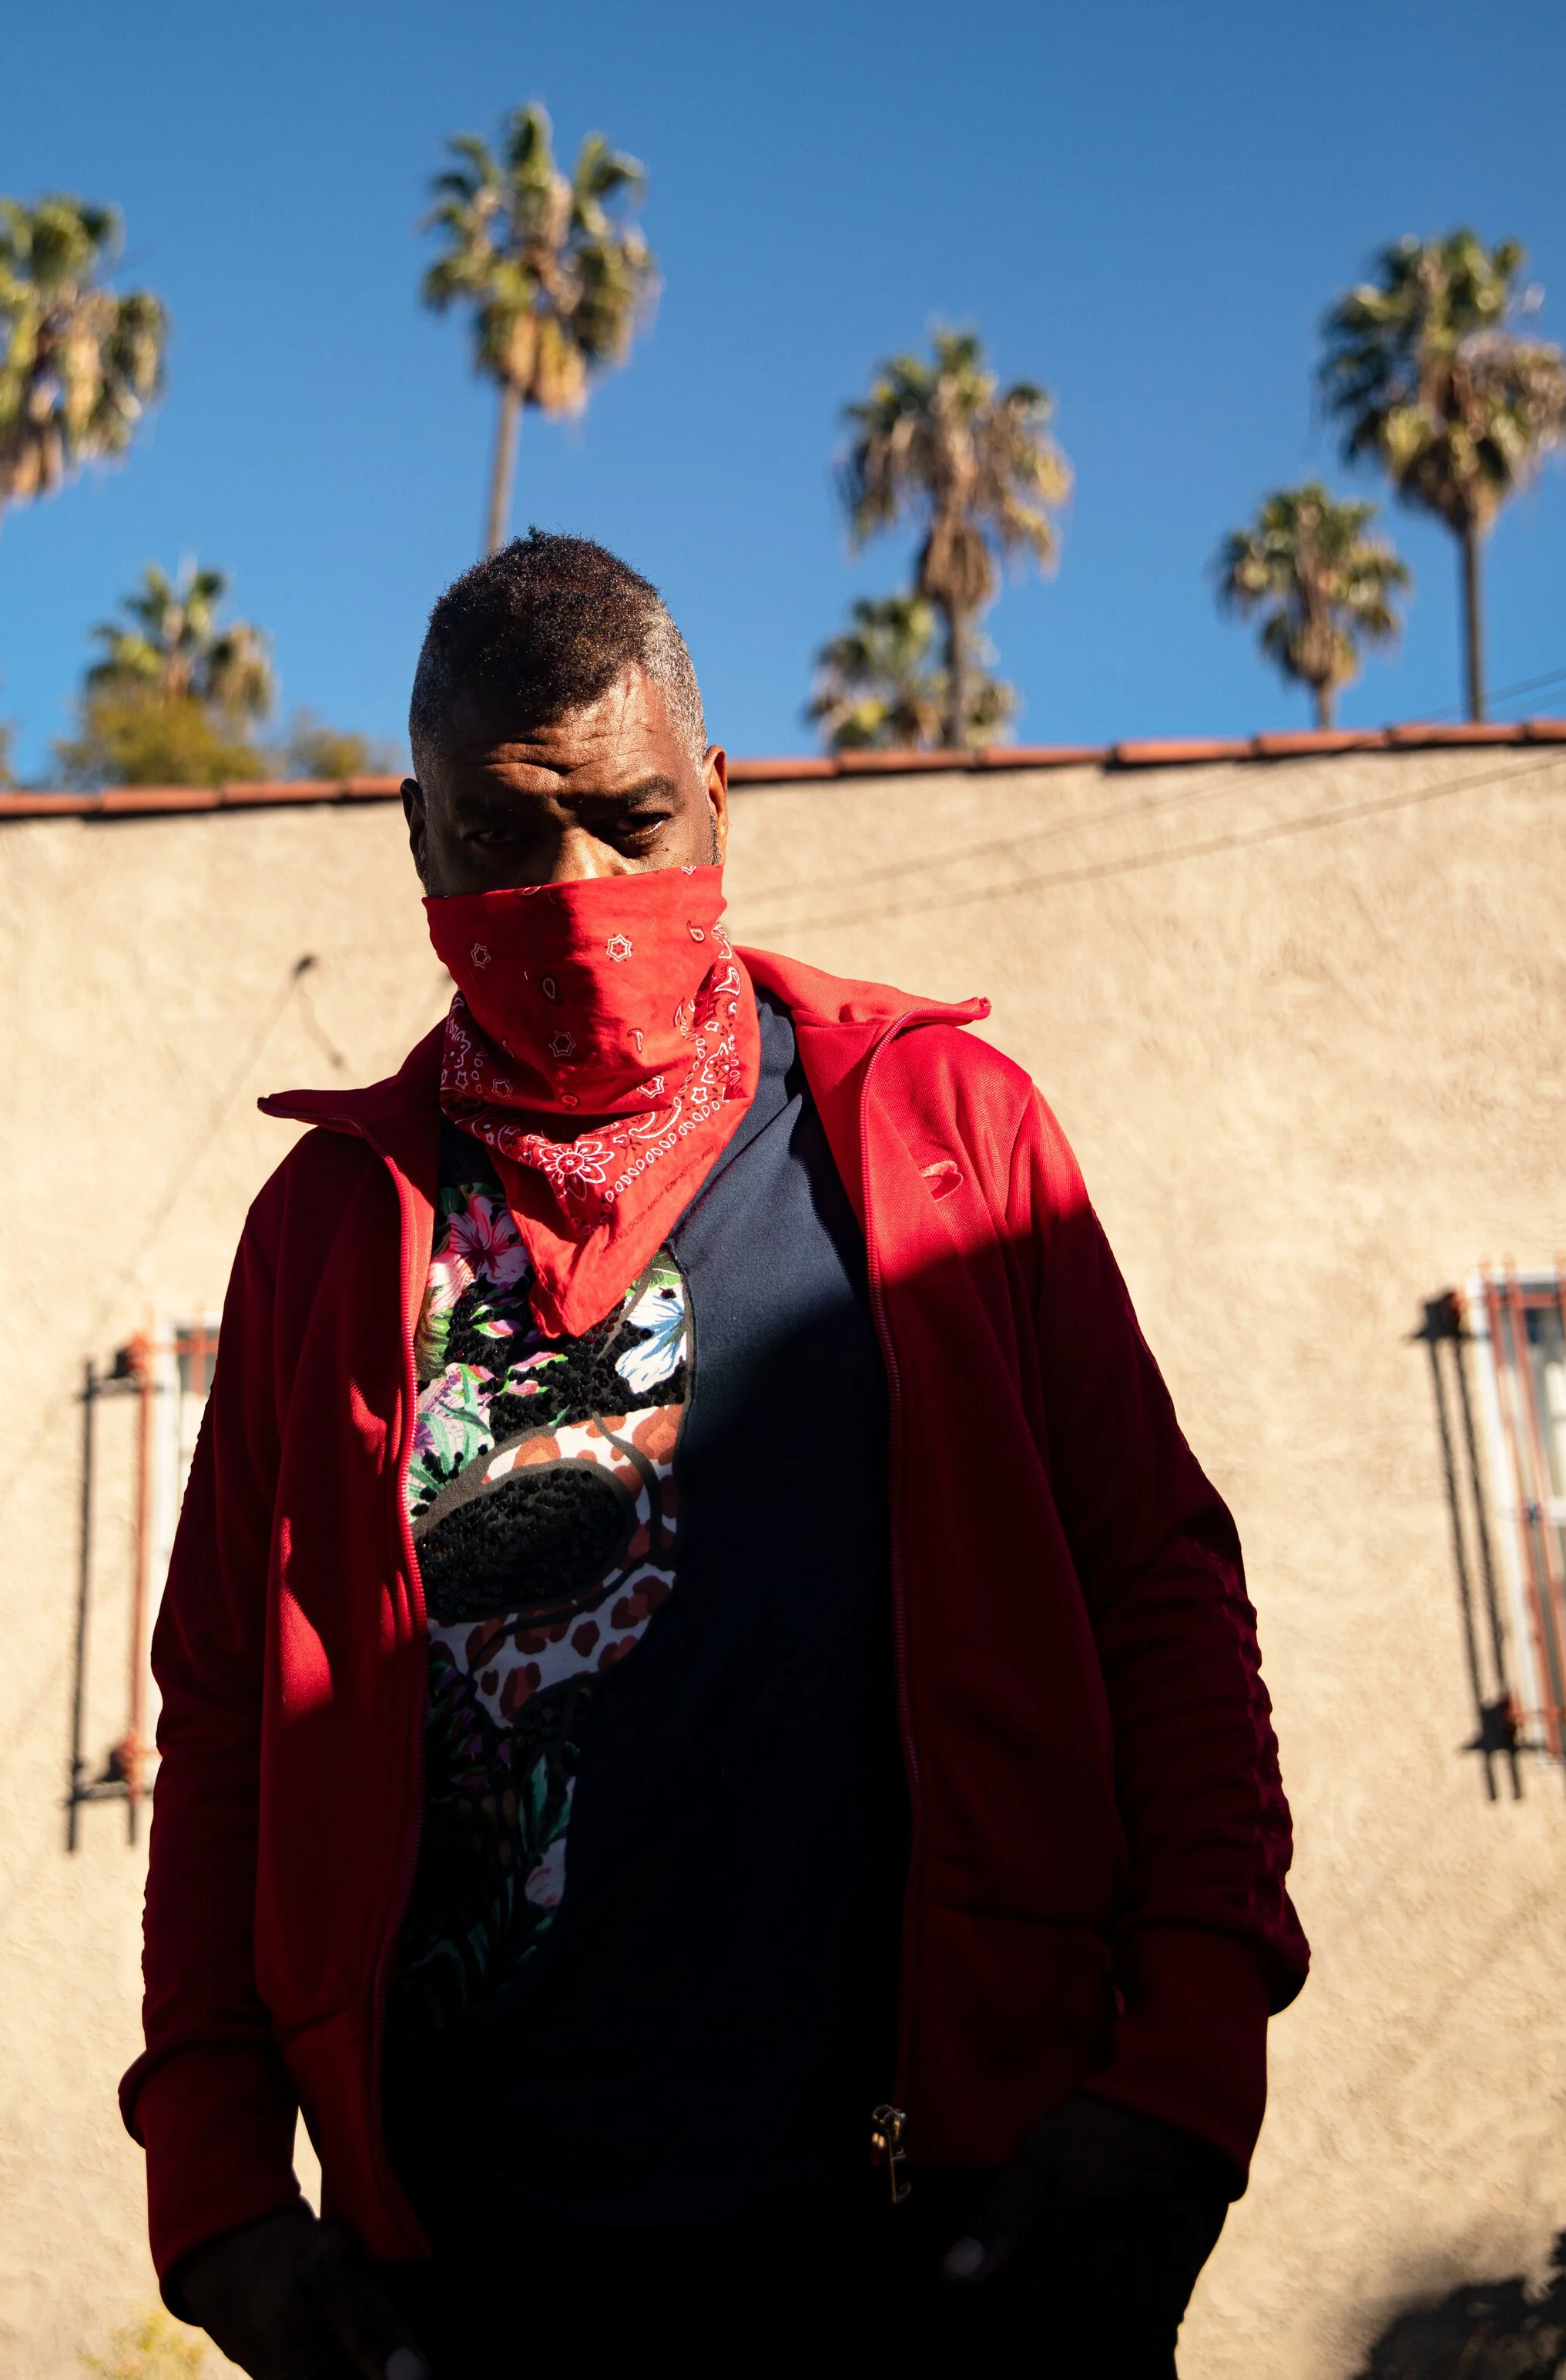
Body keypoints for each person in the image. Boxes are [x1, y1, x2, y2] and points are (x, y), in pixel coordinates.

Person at [121, 535, 1307, 2380]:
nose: (577, 892)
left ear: (717, 799)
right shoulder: (327, 1231)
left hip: (943, 2257)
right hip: (468, 2288)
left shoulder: (940, 1138)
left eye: (629, 819)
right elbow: (223, 1709)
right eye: (505, 839)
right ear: (415, 837)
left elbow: (1153, 1581)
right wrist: (214, 2190)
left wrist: (1183, 2078)